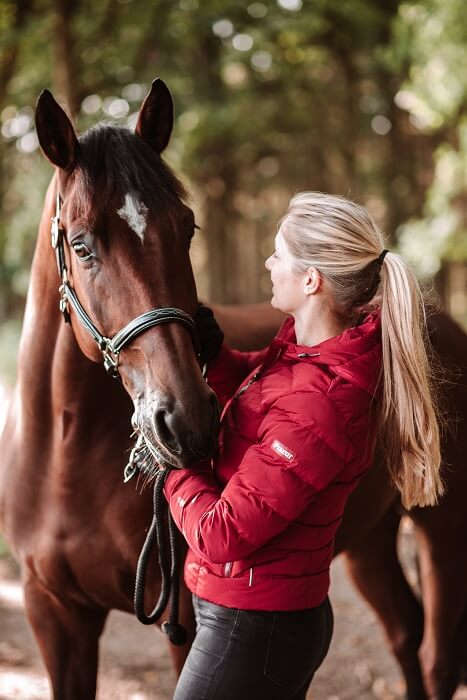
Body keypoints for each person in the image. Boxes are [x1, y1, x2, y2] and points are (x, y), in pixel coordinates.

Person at [163, 191, 444, 700]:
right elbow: (267, 405)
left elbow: (222, 534)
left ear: (311, 280)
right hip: (249, 611)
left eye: (278, 255)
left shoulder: (324, 401)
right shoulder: (302, 353)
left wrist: (174, 465)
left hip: (256, 625)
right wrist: (219, 358)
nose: (269, 264)